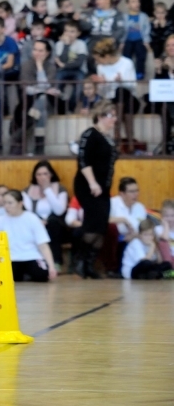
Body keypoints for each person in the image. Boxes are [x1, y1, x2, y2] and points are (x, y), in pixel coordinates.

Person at [73, 100, 119, 279]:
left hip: (104, 188)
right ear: (101, 116)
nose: (114, 119)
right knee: (92, 226)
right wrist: (92, 183)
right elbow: (83, 161)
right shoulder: (89, 134)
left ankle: (89, 265)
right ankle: (80, 260)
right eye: (111, 115)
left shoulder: (108, 137)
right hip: (89, 186)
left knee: (101, 227)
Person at [0, 190, 57, 282]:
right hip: (11, 259)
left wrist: (52, 266)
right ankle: (24, 275)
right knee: (9, 278)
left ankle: (27, 274)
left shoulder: (32, 218)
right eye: (5, 203)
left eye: (10, 203)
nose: (6, 206)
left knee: (43, 275)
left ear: (20, 203)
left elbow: (43, 245)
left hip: (31, 256)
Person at [21, 160, 69, 266]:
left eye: (45, 174)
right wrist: (38, 221)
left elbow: (59, 210)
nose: (42, 177)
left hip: (56, 225)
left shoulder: (60, 189)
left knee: (53, 224)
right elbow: (27, 212)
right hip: (35, 223)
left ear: (51, 175)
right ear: (35, 176)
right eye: (39, 174)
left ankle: (56, 262)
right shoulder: (27, 191)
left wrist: (47, 189)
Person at [108, 177, 148, 276]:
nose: (136, 194)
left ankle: (146, 268)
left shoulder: (140, 207)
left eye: (137, 190)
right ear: (122, 194)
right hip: (115, 238)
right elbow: (101, 220)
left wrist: (134, 236)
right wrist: (123, 219)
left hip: (133, 238)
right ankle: (115, 269)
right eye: (131, 191)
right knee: (111, 229)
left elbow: (144, 228)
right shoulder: (112, 203)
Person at [120, 0, 153, 79]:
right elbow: (122, 30)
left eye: (138, 1)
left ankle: (140, 74)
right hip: (128, 40)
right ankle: (127, 75)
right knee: (126, 57)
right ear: (127, 4)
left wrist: (146, 41)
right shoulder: (124, 17)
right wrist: (122, 41)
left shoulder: (144, 16)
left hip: (140, 40)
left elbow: (147, 29)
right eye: (133, 1)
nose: (137, 3)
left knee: (141, 56)